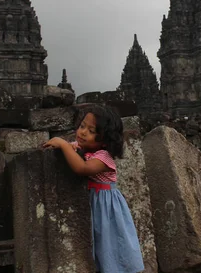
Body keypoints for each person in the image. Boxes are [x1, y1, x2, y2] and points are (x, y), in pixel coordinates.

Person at [42, 105, 144, 273]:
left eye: (91, 130)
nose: (82, 132)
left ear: (104, 139)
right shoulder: (83, 148)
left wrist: (63, 144)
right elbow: (74, 152)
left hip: (106, 209)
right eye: (82, 126)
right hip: (92, 204)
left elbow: (82, 168)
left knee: (109, 246)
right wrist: (69, 147)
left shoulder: (104, 157)